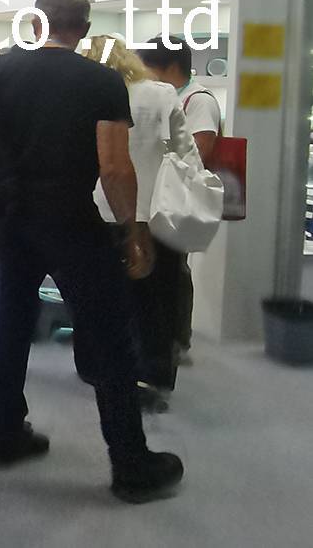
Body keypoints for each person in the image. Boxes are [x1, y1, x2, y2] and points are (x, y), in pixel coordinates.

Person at [0, 0, 184, 504]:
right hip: (71, 220)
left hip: (10, 219)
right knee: (110, 336)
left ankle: (5, 433)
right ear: (85, 28)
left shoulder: (0, 71)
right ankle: (130, 463)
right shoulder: (99, 80)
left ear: (37, 22)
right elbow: (114, 167)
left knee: (10, 326)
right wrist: (133, 231)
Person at [86, 37, 198, 411]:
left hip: (100, 207)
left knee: (101, 296)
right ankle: (152, 375)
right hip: (155, 209)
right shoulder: (160, 94)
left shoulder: (87, 94)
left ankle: (99, 367)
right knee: (157, 297)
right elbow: (186, 153)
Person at [138, 37, 215, 364]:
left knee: (172, 274)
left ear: (169, 66)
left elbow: (199, 153)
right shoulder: (166, 95)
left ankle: (175, 341)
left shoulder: (198, 101)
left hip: (174, 200)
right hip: (156, 199)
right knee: (158, 274)